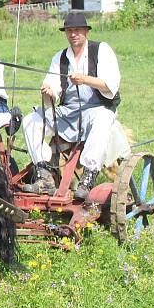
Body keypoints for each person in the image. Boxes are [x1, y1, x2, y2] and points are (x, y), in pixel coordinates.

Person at [21, 12, 128, 199]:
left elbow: (111, 85)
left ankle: (88, 176)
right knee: (30, 120)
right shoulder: (60, 58)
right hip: (68, 111)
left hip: (97, 108)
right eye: (69, 31)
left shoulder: (101, 50)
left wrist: (84, 79)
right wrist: (49, 91)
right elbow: (54, 86)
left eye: (77, 30)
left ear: (86, 31)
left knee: (103, 119)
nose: (73, 34)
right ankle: (44, 175)